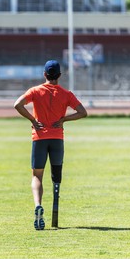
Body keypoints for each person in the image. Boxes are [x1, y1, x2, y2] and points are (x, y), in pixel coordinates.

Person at [13, 60, 87, 230]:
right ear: (59, 76)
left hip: (39, 138)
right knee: (56, 176)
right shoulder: (66, 93)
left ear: (45, 74)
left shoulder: (36, 91)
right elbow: (83, 112)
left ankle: (38, 205)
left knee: (37, 175)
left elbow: (17, 104)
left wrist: (33, 119)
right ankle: (55, 205)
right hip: (57, 139)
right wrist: (64, 119)